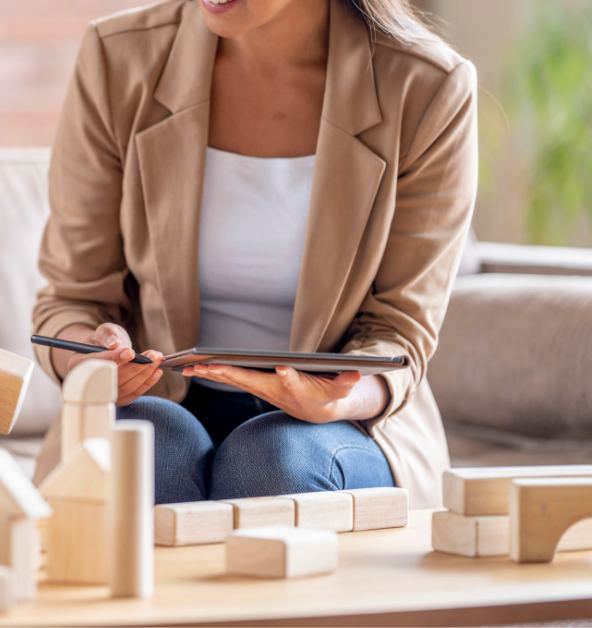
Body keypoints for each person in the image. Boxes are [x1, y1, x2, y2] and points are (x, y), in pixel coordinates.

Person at [33, 0, 476, 508]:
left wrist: (337, 397)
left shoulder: (429, 87)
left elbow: (401, 331)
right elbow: (72, 298)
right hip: (157, 402)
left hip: (341, 424)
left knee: (273, 461)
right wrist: (91, 358)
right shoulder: (119, 57)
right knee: (150, 451)